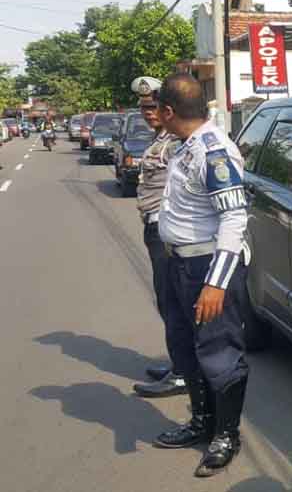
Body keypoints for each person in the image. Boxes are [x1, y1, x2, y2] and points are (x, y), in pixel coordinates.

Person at [153, 73, 249, 477]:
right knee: (186, 344)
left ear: (170, 111)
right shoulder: (185, 146)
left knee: (219, 353)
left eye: (158, 108)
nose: (155, 115)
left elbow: (234, 217)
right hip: (180, 263)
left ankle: (226, 435)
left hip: (207, 268)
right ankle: (200, 423)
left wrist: (215, 283)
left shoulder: (214, 154)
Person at [130, 76, 187, 399]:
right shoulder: (159, 139)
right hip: (154, 226)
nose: (148, 112)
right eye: (143, 107)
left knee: (172, 301)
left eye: (153, 106)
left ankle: (182, 373)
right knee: (168, 301)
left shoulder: (176, 140)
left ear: (167, 107)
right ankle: (179, 364)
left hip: (166, 229)